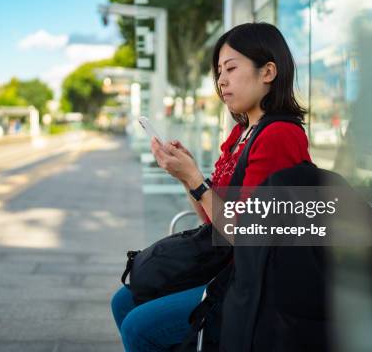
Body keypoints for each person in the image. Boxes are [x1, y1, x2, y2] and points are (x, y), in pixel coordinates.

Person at [111, 22, 313, 351]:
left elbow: (246, 235)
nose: (221, 80)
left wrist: (196, 180)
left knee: (139, 327)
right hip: (225, 267)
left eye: (231, 68)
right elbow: (214, 223)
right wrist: (187, 178)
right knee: (125, 300)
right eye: (219, 71)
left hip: (255, 285)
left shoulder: (279, 135)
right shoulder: (241, 134)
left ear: (268, 72)